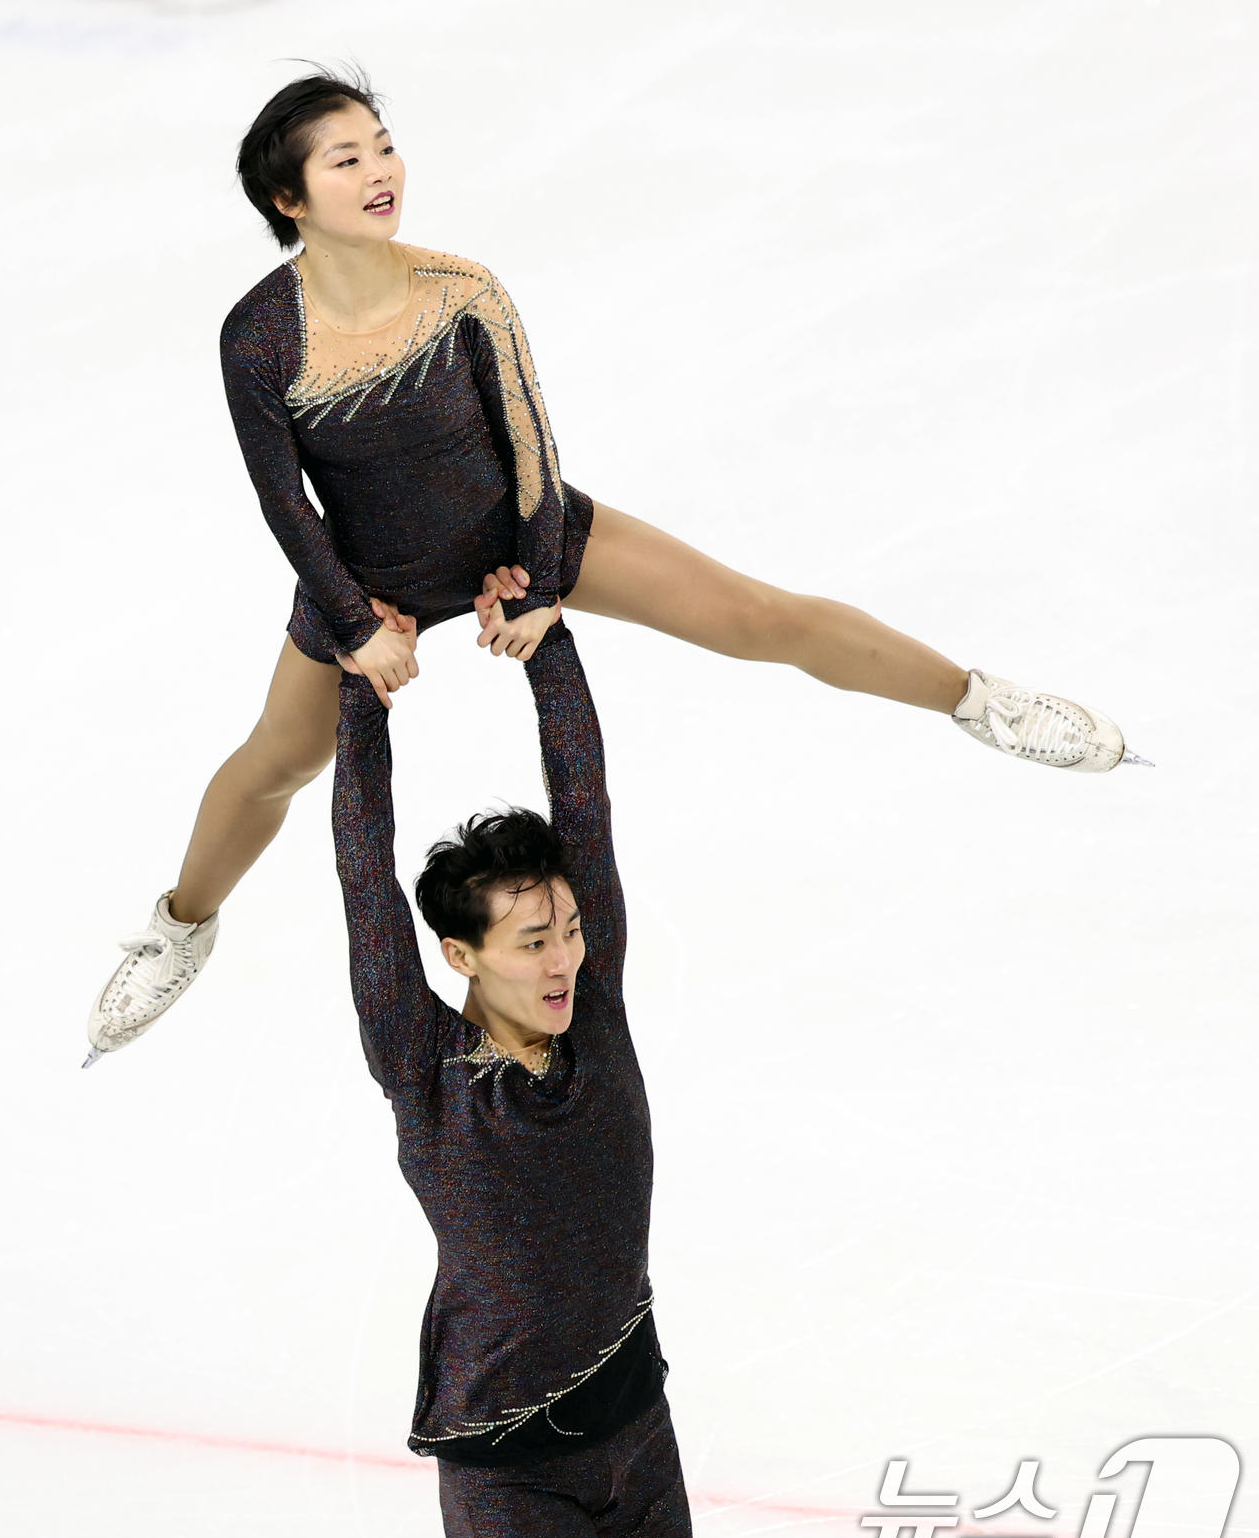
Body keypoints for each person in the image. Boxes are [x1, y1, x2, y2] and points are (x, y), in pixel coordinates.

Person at [85, 67, 1147, 1064]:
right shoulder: (259, 338)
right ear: (289, 198)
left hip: (519, 535)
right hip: (371, 580)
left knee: (756, 615)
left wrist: (540, 580)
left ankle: (975, 697)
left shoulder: (463, 290)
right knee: (275, 761)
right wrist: (356, 624)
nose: (380, 172)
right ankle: (181, 924)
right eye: (346, 159)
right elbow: (285, 500)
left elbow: (531, 444)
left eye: (385, 146)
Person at [334, 607, 691, 1538]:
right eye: (532, 941)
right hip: (510, 1474)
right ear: (461, 954)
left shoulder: (594, 1018)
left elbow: (583, 798)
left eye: (568, 929)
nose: (563, 957)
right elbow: (364, 869)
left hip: (641, 1442)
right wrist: (362, 700)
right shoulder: (423, 1063)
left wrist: (548, 642)